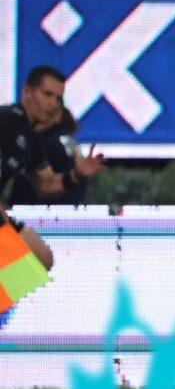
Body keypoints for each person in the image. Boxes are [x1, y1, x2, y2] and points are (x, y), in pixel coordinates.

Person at [0, 66, 105, 271]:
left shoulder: (33, 142)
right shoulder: (6, 120)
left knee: (42, 258)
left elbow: (46, 185)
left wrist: (76, 175)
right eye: (47, 94)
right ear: (27, 92)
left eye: (58, 98)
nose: (52, 103)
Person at [10, 107, 88, 206]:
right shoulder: (68, 138)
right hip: (70, 213)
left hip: (39, 214)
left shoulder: (43, 142)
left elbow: (28, 190)